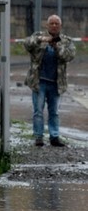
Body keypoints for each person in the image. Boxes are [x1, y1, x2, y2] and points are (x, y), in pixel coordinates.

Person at [23, 14, 76, 147]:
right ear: (47, 25)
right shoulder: (38, 36)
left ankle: (54, 136)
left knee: (54, 112)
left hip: (56, 83)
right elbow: (27, 44)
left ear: (60, 26)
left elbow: (69, 56)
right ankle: (39, 137)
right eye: (51, 23)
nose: (54, 26)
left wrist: (57, 46)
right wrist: (42, 40)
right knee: (38, 111)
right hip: (39, 81)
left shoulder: (66, 41)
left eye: (56, 23)